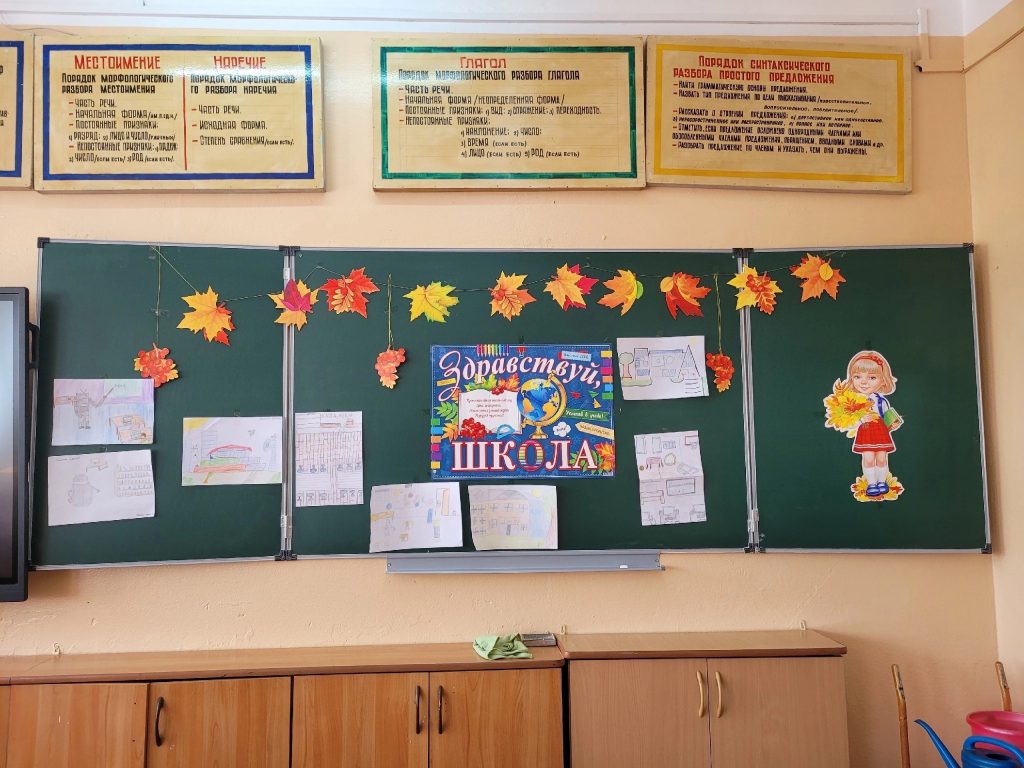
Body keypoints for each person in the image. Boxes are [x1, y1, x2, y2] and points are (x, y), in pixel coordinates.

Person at [843, 351, 901, 497]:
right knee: (868, 458)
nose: (864, 382)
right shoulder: (853, 401)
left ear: (883, 381)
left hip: (880, 431)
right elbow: (848, 420)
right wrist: (861, 420)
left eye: (872, 377)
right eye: (857, 377)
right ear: (852, 379)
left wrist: (892, 424)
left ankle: (881, 482)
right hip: (866, 430)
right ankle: (872, 484)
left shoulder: (881, 400)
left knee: (881, 458)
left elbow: (887, 417)